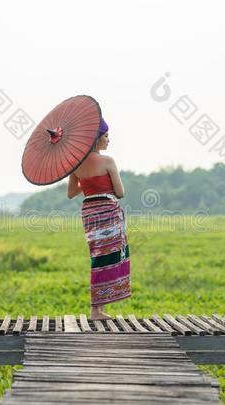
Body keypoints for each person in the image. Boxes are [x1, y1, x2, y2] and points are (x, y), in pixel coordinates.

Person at [66, 118, 130, 320]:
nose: (108, 140)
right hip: (107, 212)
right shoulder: (108, 161)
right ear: (97, 139)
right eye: (106, 136)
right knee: (109, 256)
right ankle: (96, 310)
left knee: (98, 256)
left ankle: (98, 308)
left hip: (90, 213)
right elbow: (120, 192)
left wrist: (87, 183)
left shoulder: (76, 164)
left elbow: (71, 193)